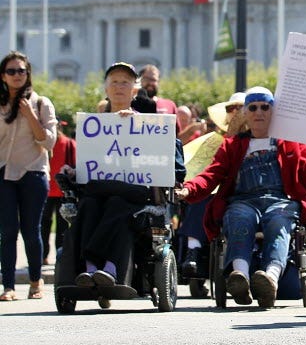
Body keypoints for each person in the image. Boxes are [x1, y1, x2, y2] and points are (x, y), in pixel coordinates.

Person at [175, 86, 306, 308]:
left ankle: (271, 279)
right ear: (245, 113)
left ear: (273, 112)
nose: (259, 112)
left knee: (278, 221)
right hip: (243, 201)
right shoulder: (232, 145)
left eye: (265, 107)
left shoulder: (291, 143)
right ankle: (241, 277)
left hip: (281, 201)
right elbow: (211, 174)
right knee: (238, 217)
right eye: (253, 107)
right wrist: (189, 189)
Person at [68, 61, 184, 288]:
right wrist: (73, 170)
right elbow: (88, 161)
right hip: (100, 190)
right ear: (106, 89)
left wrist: (134, 125)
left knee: (117, 204)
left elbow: (168, 159)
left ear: (134, 89)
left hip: (134, 191)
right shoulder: (93, 127)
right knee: (90, 205)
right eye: (114, 82)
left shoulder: (149, 125)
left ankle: (109, 267)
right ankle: (92, 269)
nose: (119, 86)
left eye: (125, 82)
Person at [0, 52, 57, 301]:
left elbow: (49, 141)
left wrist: (30, 116)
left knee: (31, 230)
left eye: (21, 71)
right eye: (11, 71)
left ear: (28, 73)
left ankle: (35, 280)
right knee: (8, 231)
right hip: (4, 173)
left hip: (33, 172)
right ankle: (9, 286)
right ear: (3, 76)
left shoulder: (41, 103)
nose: (16, 75)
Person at [179, 91, 248, 278]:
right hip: (217, 191)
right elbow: (202, 170)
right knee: (200, 198)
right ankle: (193, 250)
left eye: (242, 108)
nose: (237, 112)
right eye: (232, 109)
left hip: (249, 194)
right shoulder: (213, 141)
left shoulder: (259, 140)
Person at [41, 120, 77, 265]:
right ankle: (42, 256)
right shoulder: (42, 143)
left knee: (62, 227)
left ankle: (60, 257)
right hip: (45, 191)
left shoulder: (70, 144)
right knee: (43, 226)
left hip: (63, 192)